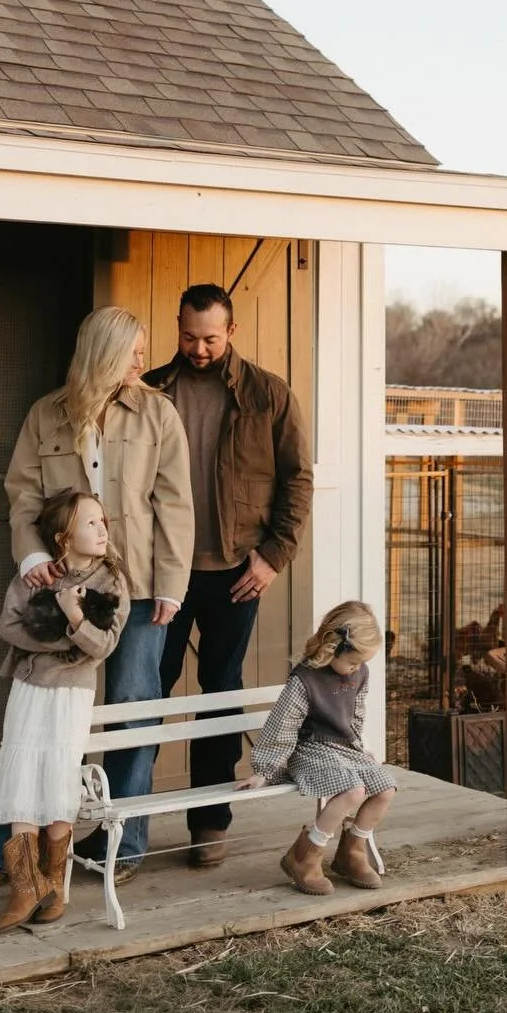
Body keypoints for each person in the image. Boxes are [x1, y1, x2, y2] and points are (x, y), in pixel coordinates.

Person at [0, 306, 193, 890]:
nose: (144, 360)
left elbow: (175, 505)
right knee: (38, 711)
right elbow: (22, 495)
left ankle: (127, 842)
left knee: (136, 705)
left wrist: (171, 584)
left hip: (135, 586)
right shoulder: (47, 415)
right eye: (134, 350)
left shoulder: (157, 413)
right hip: (59, 587)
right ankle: (10, 849)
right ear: (103, 352)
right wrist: (32, 555)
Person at [138, 282, 313, 868]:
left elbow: (297, 480)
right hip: (161, 572)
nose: (199, 348)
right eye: (189, 336)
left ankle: (210, 822)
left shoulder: (269, 395)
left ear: (231, 331)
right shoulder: (152, 389)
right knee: (144, 694)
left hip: (237, 570)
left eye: (211, 337)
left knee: (220, 692)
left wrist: (272, 556)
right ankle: (127, 825)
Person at [0, 489, 125, 931]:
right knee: (22, 771)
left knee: (59, 776)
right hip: (28, 687)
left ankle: (55, 883)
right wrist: (67, 633)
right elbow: (7, 625)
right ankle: (25, 883)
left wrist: (75, 617)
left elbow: (103, 646)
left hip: (70, 694)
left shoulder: (111, 581)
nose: (103, 530)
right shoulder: (37, 575)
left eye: (104, 523)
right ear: (63, 538)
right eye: (91, 523)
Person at [243, 600, 396, 896]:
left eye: (361, 663)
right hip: (309, 749)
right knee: (354, 790)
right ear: (334, 647)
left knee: (386, 787)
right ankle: (303, 857)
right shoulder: (305, 679)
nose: (356, 669)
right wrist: (264, 770)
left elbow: (356, 714)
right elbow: (282, 725)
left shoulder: (360, 672)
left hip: (343, 748)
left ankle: (351, 852)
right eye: (352, 661)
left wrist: (359, 748)